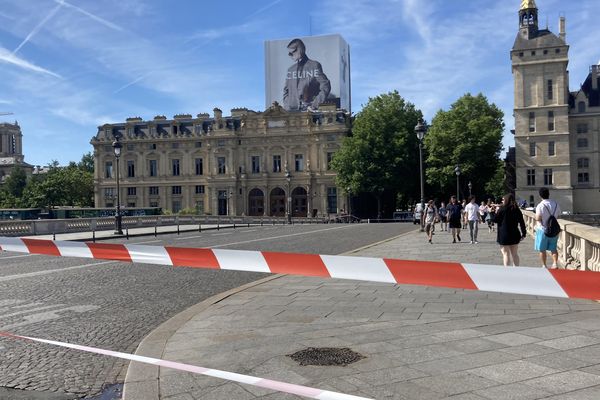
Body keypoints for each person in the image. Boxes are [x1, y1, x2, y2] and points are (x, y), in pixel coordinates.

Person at [283, 38, 331, 112]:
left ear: (301, 49)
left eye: (292, 52)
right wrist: (287, 106)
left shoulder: (314, 65)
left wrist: (314, 105)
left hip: (308, 113)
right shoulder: (290, 70)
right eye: (289, 53)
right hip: (292, 113)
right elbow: (286, 91)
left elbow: (326, 86)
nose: (290, 55)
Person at [495, 194, 526, 266]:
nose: (502, 201)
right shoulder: (516, 209)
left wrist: (495, 212)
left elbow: (495, 220)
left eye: (503, 200)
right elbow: (522, 222)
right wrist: (524, 233)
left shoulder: (502, 209)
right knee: (515, 254)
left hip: (504, 235)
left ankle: (507, 272)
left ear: (506, 200)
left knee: (505, 254)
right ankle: (516, 269)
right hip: (514, 234)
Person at [535, 187, 561, 269]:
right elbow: (558, 215)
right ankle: (555, 264)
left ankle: (544, 265)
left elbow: (538, 218)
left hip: (543, 230)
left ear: (540, 195)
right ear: (548, 194)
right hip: (554, 229)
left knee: (542, 249)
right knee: (553, 248)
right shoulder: (556, 204)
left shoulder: (540, 205)